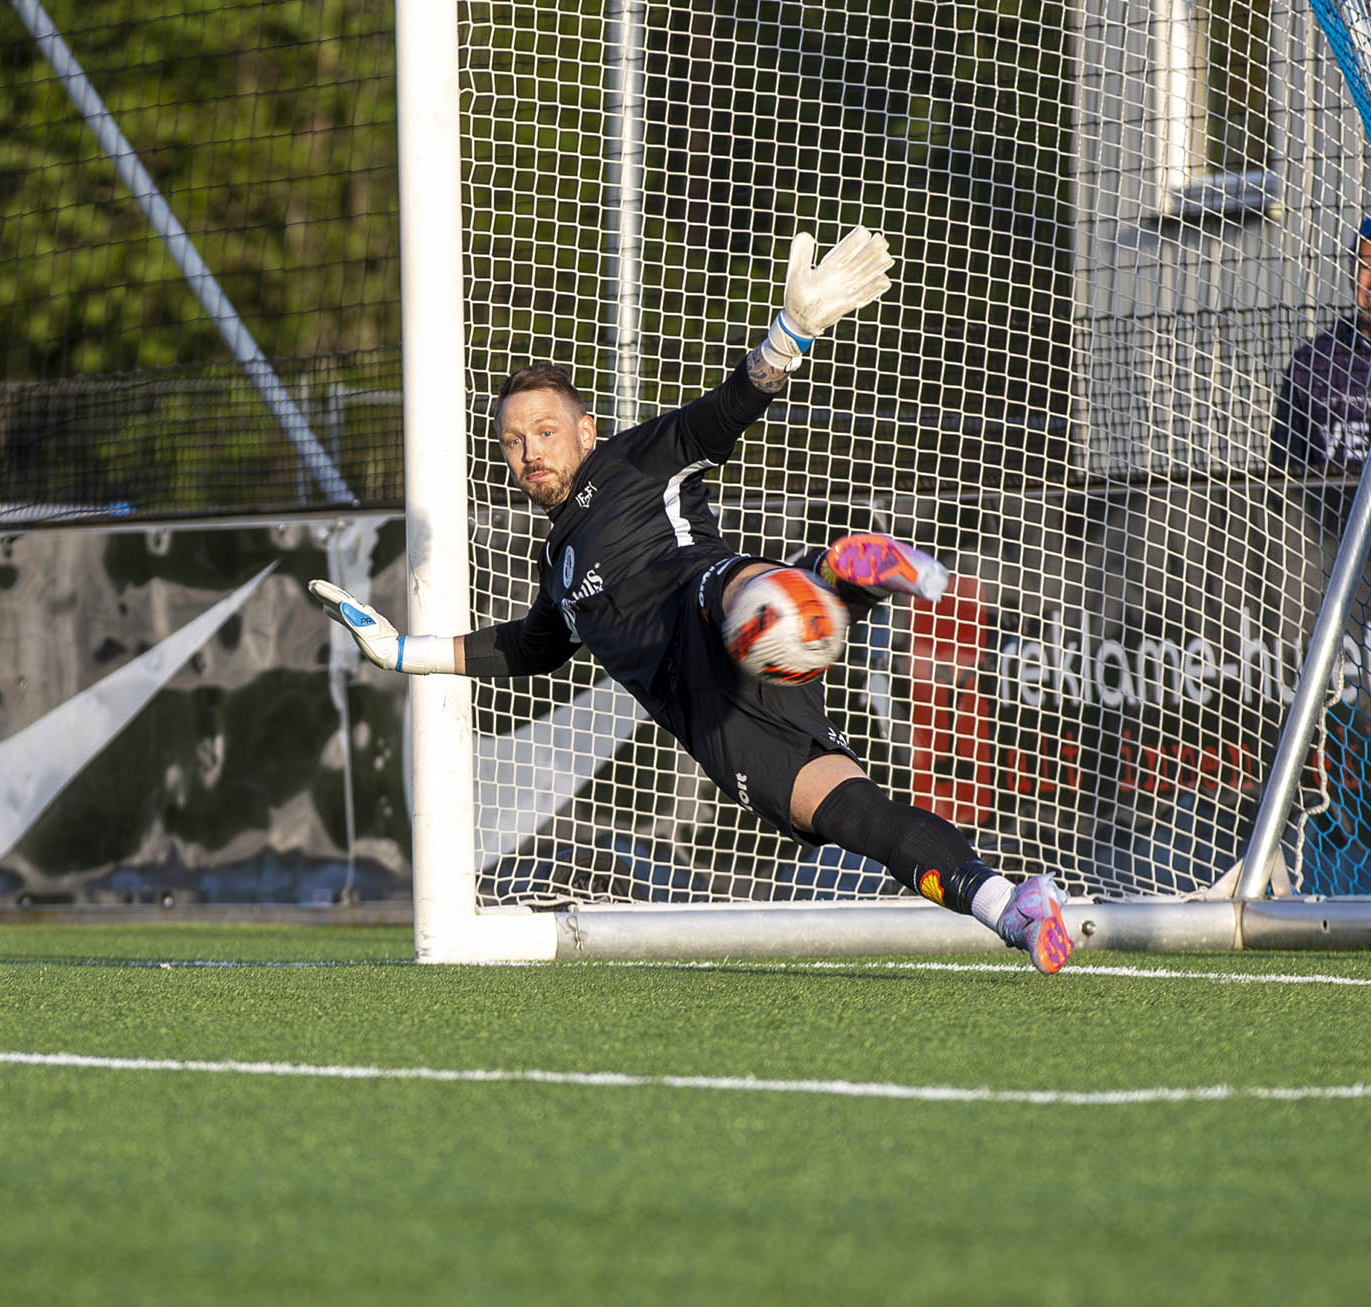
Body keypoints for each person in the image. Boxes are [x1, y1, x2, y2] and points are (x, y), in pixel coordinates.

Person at [311, 226, 1072, 972]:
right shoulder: (557, 563)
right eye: (514, 441)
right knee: (849, 815)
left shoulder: (635, 460)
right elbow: (531, 649)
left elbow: (731, 405)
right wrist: (401, 651)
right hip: (714, 718)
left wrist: (791, 332)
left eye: (546, 430)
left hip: (717, 606)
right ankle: (1009, 905)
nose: (531, 450)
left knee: (732, 594)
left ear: (586, 430)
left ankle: (841, 573)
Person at [1271, 212, 1371, 468]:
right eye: (1366, 268)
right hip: (1334, 508)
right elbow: (1284, 470)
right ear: (1351, 273)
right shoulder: (1313, 364)